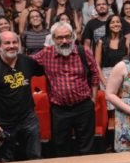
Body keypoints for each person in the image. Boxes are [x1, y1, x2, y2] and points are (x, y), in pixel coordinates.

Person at [31, 22, 99, 156]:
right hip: (59, 110)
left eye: (68, 37)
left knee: (87, 147)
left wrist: (94, 99)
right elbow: (24, 61)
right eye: (59, 38)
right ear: (53, 39)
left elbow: (95, 73)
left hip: (84, 107)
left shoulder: (83, 51)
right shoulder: (46, 54)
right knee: (61, 147)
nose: (64, 41)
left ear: (73, 36)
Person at [0, 31, 45, 162]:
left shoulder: (27, 61)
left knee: (35, 156)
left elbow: (46, 66)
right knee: (6, 160)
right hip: (3, 122)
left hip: (28, 119)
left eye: (15, 42)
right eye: (7, 43)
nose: (11, 46)